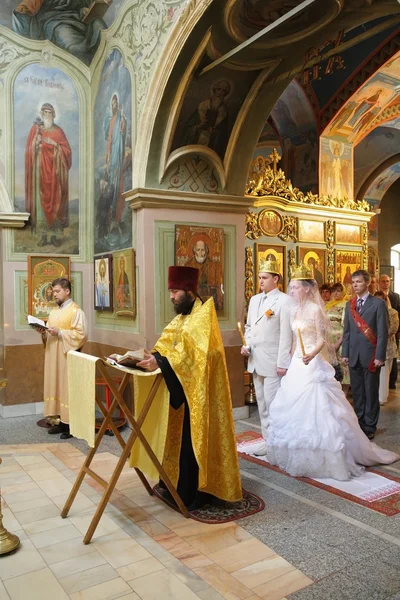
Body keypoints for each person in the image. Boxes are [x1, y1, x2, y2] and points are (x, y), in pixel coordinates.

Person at [263, 264, 399, 480]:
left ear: (307, 289)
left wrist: (312, 354)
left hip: (312, 363)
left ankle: (332, 451)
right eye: (290, 288)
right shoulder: (293, 310)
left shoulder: (316, 309)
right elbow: (290, 340)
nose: (291, 292)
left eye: (295, 287)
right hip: (297, 363)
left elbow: (321, 339)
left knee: (322, 407)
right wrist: (289, 360)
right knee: (291, 409)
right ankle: (297, 452)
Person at [135, 266, 242, 509]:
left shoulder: (203, 316)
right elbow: (167, 343)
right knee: (177, 439)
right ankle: (173, 482)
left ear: (189, 290)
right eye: (170, 291)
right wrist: (155, 356)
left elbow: (195, 355)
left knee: (192, 441)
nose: (171, 296)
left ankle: (195, 491)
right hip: (182, 388)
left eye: (175, 291)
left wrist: (161, 361)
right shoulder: (182, 317)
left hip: (199, 393)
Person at [241, 259, 292, 455]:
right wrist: (246, 345)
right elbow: (249, 328)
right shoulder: (254, 300)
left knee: (274, 405)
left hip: (273, 362)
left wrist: (282, 363)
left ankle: (278, 443)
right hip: (255, 360)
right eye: (259, 277)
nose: (260, 281)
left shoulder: (284, 301)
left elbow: (286, 335)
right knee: (261, 404)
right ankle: (267, 440)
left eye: (264, 278)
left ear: (275, 278)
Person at [33, 278, 87, 438]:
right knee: (56, 386)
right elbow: (51, 330)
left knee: (66, 389)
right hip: (53, 355)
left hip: (66, 357)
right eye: (53, 291)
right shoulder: (55, 311)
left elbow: (81, 335)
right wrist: (43, 332)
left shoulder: (76, 311)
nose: (54, 294)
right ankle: (60, 422)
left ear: (67, 291)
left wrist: (61, 333)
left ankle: (71, 425)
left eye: (57, 291)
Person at [342, 270, 388, 440]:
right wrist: (345, 352)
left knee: (370, 392)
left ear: (367, 283)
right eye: (353, 282)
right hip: (354, 355)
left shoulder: (378, 304)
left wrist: (380, 356)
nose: (355, 285)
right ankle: (359, 422)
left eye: (359, 282)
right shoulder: (350, 305)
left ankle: (369, 426)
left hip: (371, 356)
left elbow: (382, 333)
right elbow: (347, 332)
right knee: (359, 392)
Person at [25, 103, 72, 247]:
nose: (47, 115)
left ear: (53, 115)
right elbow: (29, 151)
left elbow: (67, 152)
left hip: (55, 175)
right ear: (41, 114)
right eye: (44, 112)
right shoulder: (36, 130)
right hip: (41, 174)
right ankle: (43, 236)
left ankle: (54, 237)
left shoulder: (59, 132)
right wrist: (36, 143)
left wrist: (55, 145)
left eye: (49, 112)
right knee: (40, 205)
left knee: (56, 203)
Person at [12, 0, 107, 65]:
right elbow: (28, 6)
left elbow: (88, 4)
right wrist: (23, 9)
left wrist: (88, 9)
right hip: (57, 22)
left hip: (81, 19)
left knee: (100, 27)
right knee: (76, 47)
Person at [181, 80, 231, 157]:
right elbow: (187, 127)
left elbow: (223, 137)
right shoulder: (202, 106)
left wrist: (214, 132)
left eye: (224, 91)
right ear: (214, 90)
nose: (220, 93)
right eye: (219, 89)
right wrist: (198, 127)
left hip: (209, 150)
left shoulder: (224, 112)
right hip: (194, 146)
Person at [104, 93, 127, 232]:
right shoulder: (112, 119)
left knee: (117, 183)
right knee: (112, 182)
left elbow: (122, 132)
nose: (113, 106)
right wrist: (108, 153)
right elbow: (110, 138)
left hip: (118, 153)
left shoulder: (120, 117)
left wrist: (123, 121)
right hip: (112, 154)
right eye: (111, 104)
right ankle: (111, 216)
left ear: (117, 104)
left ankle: (116, 217)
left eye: (115, 103)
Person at [374, 291, 399, 405]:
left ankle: (382, 398)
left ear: (385, 300)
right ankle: (374, 396)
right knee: (375, 373)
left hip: (387, 346)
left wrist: (379, 336)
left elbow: (393, 328)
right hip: (373, 346)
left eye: (381, 300)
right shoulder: (372, 311)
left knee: (384, 373)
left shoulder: (392, 312)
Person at [186, 239, 223, 309]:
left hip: (209, 303)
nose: (200, 253)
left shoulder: (214, 266)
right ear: (194, 251)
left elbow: (218, 287)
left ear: (206, 251)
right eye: (198, 250)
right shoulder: (188, 265)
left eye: (202, 250)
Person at [325, 282, 350, 389]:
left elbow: (347, 326)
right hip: (328, 339)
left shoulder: (345, 305)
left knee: (342, 367)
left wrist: (338, 343)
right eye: (334, 291)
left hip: (340, 340)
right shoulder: (328, 305)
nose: (336, 293)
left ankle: (343, 395)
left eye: (339, 291)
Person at [379, 274, 400, 389]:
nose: (386, 283)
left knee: (392, 356)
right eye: (383, 281)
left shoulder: (395, 296)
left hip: (393, 330)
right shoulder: (376, 296)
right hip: (377, 333)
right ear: (379, 282)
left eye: (387, 281)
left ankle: (392, 381)